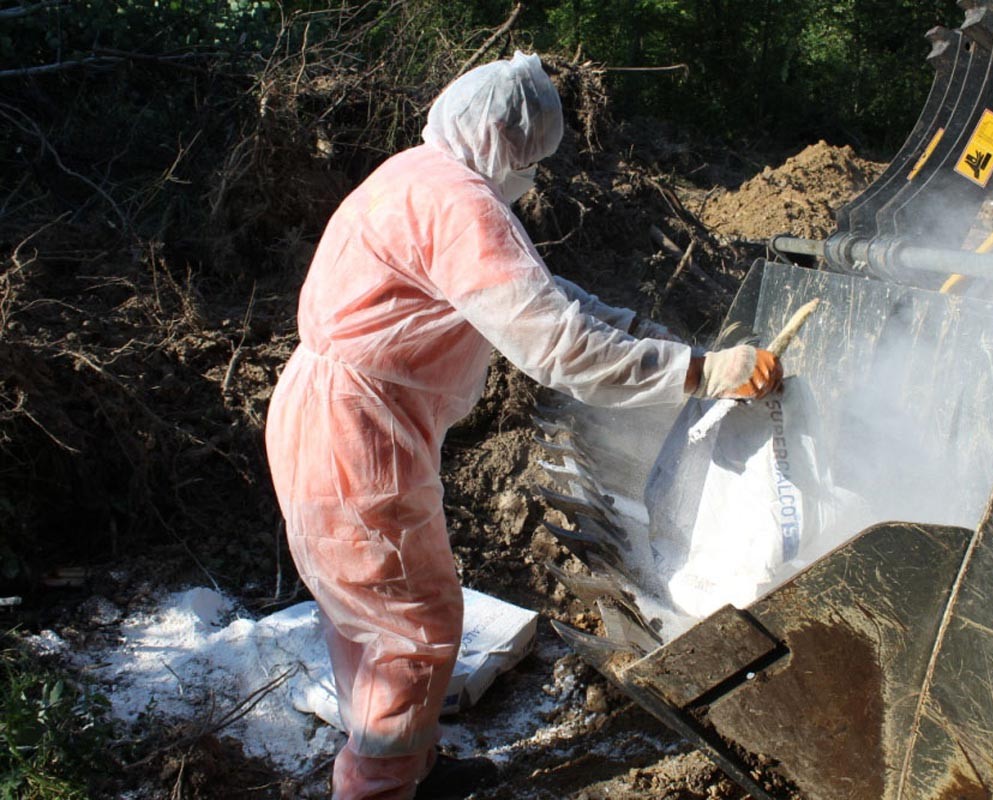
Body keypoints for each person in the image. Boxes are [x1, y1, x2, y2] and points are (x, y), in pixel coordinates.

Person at [264, 51, 781, 800]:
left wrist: (657, 340)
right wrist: (699, 375)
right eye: (532, 159)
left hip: (341, 414)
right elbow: (558, 346)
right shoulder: (458, 204)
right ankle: (376, 788)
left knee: (370, 616)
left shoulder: (422, 175)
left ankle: (412, 766)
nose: (532, 177)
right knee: (411, 626)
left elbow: (541, 293)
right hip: (358, 432)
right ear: (506, 143)